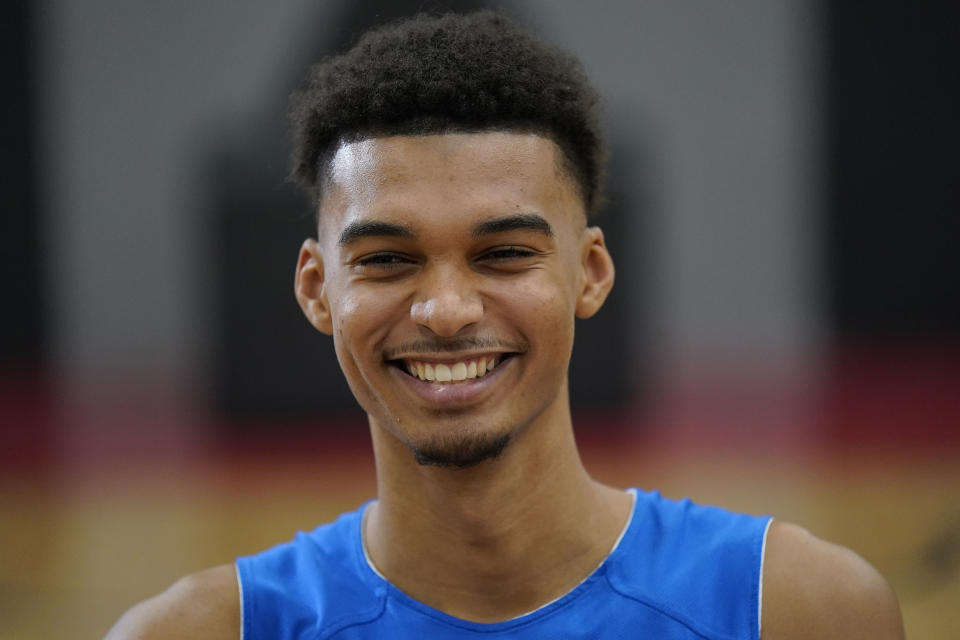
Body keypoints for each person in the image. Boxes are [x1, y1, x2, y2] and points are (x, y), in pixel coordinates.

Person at [106, 11, 904, 639]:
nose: (446, 312)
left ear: (589, 271)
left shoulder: (798, 610)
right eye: (387, 260)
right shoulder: (200, 632)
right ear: (318, 289)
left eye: (504, 253)